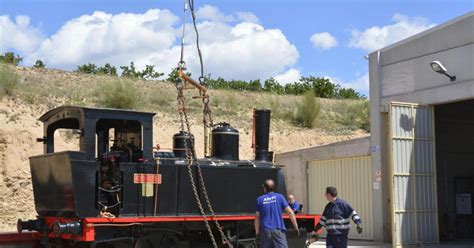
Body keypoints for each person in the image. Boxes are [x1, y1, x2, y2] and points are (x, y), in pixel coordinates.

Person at [255, 179, 299, 248]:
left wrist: (257, 233)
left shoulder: (259, 199)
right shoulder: (280, 197)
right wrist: (296, 227)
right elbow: (290, 212)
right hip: (278, 231)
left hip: (265, 231)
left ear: (265, 188)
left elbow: (257, 217)